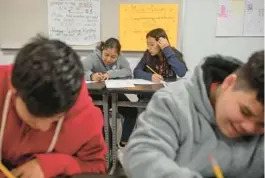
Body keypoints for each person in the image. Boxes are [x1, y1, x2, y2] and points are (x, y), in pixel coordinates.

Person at [124, 51, 264, 178]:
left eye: (262, 124)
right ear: (229, 83)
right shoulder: (174, 102)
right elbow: (142, 156)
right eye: (245, 111)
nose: (249, 127)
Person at [0, 35, 107, 178]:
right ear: (14, 89)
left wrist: (55, 164)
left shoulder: (85, 115)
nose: (43, 127)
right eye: (33, 115)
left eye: (56, 118)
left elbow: (97, 166)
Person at [82, 38, 137, 147]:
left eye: (113, 57)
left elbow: (127, 72)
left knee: (132, 111)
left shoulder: (121, 58)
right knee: (98, 116)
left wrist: (110, 74)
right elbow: (79, 71)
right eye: (106, 55)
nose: (108, 59)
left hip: (114, 93)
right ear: (102, 50)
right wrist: (91, 76)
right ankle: (110, 147)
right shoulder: (92, 57)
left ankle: (123, 143)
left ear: (118, 54)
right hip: (97, 94)